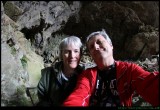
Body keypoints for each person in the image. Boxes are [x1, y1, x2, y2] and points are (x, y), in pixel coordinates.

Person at [63, 29, 159, 107]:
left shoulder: (129, 70)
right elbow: (79, 95)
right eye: (91, 47)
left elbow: (148, 83)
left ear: (111, 45)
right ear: (91, 55)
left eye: (99, 42)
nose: (96, 47)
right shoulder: (87, 75)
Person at [37, 36, 85, 106]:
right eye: (67, 52)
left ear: (80, 55)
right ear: (61, 55)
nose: (72, 56)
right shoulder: (47, 75)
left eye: (76, 51)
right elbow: (41, 98)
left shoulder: (85, 77)